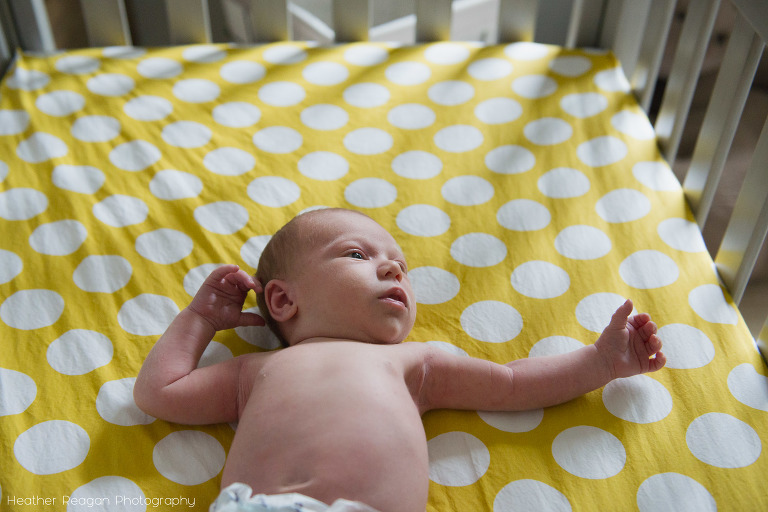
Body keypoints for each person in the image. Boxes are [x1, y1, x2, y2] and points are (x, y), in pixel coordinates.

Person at [134, 207, 666, 512]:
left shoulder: (416, 362)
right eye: (358, 255)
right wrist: (200, 318)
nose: (393, 271)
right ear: (282, 300)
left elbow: (510, 381)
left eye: (401, 267)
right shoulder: (258, 371)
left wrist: (598, 363)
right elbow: (161, 392)